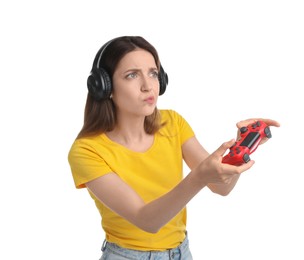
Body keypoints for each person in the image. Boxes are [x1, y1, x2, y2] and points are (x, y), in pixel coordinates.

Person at [68, 36, 280, 260]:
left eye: (152, 73)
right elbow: (147, 220)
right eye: (132, 75)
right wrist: (197, 178)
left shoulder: (172, 123)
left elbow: (221, 187)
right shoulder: (86, 151)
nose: (148, 86)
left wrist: (241, 148)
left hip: (181, 252)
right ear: (104, 86)